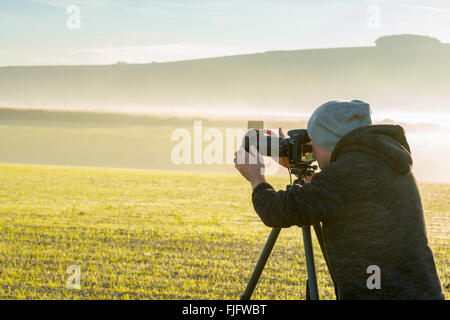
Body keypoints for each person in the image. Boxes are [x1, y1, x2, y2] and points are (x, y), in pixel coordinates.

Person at [234, 100, 444, 299]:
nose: (312, 151)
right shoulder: (382, 156)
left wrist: (256, 177)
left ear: (329, 141)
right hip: (419, 291)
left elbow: (278, 211)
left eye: (313, 142)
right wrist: (306, 174)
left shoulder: (348, 172)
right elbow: (348, 193)